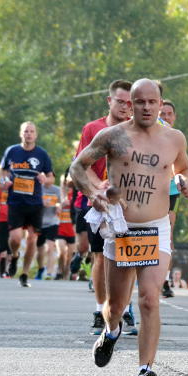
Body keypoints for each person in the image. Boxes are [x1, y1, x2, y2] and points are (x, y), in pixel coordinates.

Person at [71, 78, 188, 376]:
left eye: (152, 102)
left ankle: (145, 371)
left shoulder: (173, 138)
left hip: (157, 227)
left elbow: (186, 169)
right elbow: (77, 168)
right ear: (130, 104)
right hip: (121, 227)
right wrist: (94, 192)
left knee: (150, 299)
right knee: (115, 306)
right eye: (139, 102)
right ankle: (111, 332)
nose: (146, 107)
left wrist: (185, 180)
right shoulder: (113, 136)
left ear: (160, 103)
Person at [74, 80, 133, 334]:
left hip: (129, 204)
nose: (125, 107)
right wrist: (100, 188)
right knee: (100, 257)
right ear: (110, 101)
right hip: (99, 203)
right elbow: (81, 164)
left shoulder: (139, 130)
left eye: (130, 103)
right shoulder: (93, 129)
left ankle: (125, 309)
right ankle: (100, 309)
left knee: (129, 258)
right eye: (120, 102)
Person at [0, 121, 54, 287]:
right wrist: (4, 180)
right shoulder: (12, 151)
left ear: (35, 135)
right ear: (20, 134)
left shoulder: (42, 154)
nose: (28, 134)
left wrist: (46, 180)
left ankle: (24, 273)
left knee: (31, 240)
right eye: (25, 131)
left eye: (31, 131)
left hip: (35, 203)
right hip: (15, 201)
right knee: (15, 238)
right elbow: (1, 171)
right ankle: (14, 255)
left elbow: (51, 179)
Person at [160, 100, 179, 298]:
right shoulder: (151, 134)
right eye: (162, 113)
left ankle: (165, 280)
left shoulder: (177, 138)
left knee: (168, 234)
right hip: (151, 189)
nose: (165, 117)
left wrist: (187, 177)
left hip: (171, 191)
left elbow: (184, 166)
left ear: (174, 117)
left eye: (169, 114)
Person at [35, 175, 61, 279]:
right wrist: (40, 203)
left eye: (50, 176)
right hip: (39, 222)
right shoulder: (37, 188)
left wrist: (59, 206)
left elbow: (60, 201)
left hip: (53, 221)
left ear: (54, 178)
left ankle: (49, 273)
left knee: (50, 248)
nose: (48, 179)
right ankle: (41, 268)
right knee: (40, 249)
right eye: (46, 176)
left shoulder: (57, 190)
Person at [56, 174, 76, 280]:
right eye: (65, 185)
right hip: (60, 229)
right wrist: (59, 206)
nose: (67, 188)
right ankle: (59, 270)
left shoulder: (75, 195)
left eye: (69, 185)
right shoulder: (58, 194)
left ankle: (66, 275)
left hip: (72, 231)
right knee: (62, 252)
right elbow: (51, 207)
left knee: (69, 256)